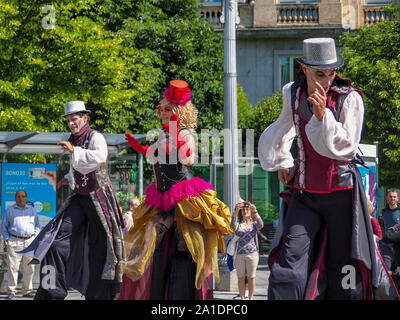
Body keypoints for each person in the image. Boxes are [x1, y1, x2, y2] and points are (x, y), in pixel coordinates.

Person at [258, 37, 398, 299]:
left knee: (344, 266)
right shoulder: (293, 92)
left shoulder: (350, 99)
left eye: (331, 73)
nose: (326, 79)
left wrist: (324, 118)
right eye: (319, 73)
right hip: (305, 193)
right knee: (289, 263)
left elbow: (346, 145)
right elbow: (285, 127)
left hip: (342, 194)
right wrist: (282, 159)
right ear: (304, 69)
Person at [118, 80, 232, 300]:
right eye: (161, 109)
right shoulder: (162, 134)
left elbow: (188, 159)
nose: (162, 113)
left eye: (167, 109)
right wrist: (141, 147)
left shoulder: (186, 133)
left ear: (179, 111)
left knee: (185, 246)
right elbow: (154, 160)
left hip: (184, 198)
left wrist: (175, 137)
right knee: (150, 242)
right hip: (161, 197)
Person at [20, 101, 126, 300]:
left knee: (102, 249)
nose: (71, 123)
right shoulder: (74, 139)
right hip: (80, 197)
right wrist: (66, 180)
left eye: (74, 119)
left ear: (85, 118)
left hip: (99, 198)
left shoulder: (96, 137)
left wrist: (74, 151)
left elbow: (99, 157)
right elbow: (76, 170)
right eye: (68, 120)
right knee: (53, 240)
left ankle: (99, 295)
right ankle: (51, 293)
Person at [1, 190, 40, 299]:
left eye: (23, 196)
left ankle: (27, 291)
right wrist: (7, 239)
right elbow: (4, 227)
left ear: (26, 198)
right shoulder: (10, 210)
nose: (21, 198)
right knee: (13, 267)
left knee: (30, 268)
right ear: (15, 198)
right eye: (18, 196)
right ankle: (12, 291)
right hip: (14, 241)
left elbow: (37, 225)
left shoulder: (32, 210)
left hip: (29, 241)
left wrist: (34, 238)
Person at [231, 201, 263, 300]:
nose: (245, 211)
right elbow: (232, 225)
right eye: (243, 210)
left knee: (251, 277)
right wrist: (236, 210)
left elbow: (261, 225)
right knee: (240, 277)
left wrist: (255, 210)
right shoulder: (238, 224)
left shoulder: (254, 224)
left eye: (247, 209)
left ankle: (251, 298)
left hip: (252, 254)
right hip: (240, 254)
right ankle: (242, 297)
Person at [380, 189, 400, 270]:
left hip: (398, 246)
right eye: (391, 197)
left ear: (398, 198)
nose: (393, 198)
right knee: (386, 270)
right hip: (386, 245)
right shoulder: (384, 211)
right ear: (387, 198)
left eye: (394, 197)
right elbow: (383, 227)